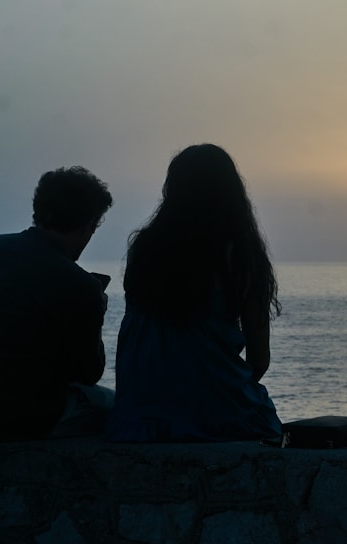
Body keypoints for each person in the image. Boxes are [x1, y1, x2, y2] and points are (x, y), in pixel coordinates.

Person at [107, 144, 282, 442]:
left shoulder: (143, 250)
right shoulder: (239, 255)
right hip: (218, 415)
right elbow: (259, 360)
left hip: (139, 416)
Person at [0, 167, 114, 444]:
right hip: (18, 423)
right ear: (88, 225)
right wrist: (96, 311)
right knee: (117, 408)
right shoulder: (78, 284)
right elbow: (89, 372)